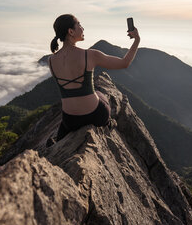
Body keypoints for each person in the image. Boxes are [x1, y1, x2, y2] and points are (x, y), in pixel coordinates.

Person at [48, 14, 140, 143]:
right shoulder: (90, 55)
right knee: (100, 94)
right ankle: (109, 123)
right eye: (79, 24)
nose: (83, 28)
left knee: (65, 123)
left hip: (70, 120)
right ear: (71, 31)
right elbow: (124, 63)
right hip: (95, 116)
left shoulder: (51, 60)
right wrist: (136, 40)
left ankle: (58, 140)